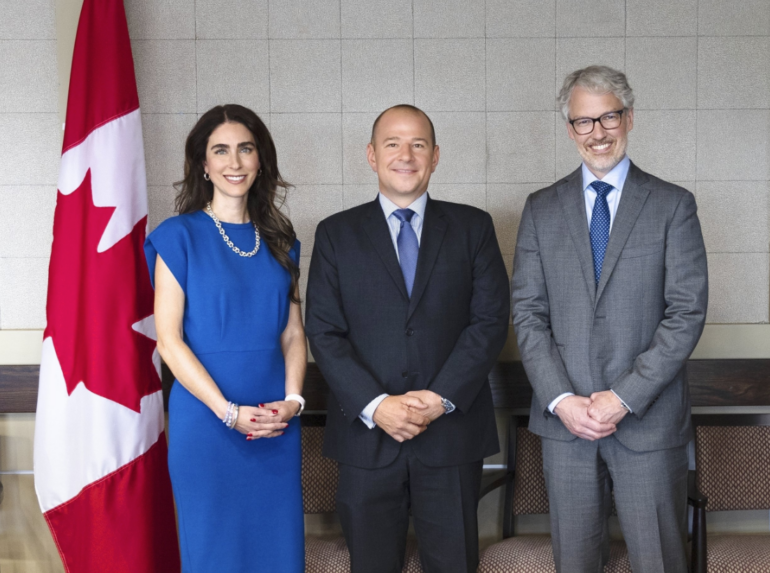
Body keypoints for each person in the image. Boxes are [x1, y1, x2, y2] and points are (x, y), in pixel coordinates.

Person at [511, 66, 708, 573]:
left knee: (659, 562)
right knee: (574, 563)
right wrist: (561, 399)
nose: (597, 133)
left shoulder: (672, 205)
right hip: (566, 424)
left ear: (630, 118)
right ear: (570, 129)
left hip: (648, 420)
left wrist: (623, 397)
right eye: (583, 121)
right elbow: (528, 314)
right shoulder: (540, 209)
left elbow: (686, 313)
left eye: (608, 117)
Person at [305, 104, 510, 573]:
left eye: (418, 144)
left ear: (435, 156)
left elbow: (489, 321)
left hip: (451, 435)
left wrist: (439, 399)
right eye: (392, 143)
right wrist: (377, 405)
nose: (406, 154)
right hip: (366, 439)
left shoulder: (473, 228)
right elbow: (324, 330)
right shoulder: (336, 234)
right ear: (372, 156)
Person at [145, 104, 306, 572]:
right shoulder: (178, 237)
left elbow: (293, 333)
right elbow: (169, 341)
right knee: (214, 553)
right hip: (208, 424)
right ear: (203, 164)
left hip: (276, 423)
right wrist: (229, 412)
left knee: (278, 555)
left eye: (245, 149)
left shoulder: (281, 239)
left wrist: (293, 401)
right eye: (221, 151)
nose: (234, 163)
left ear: (261, 160)